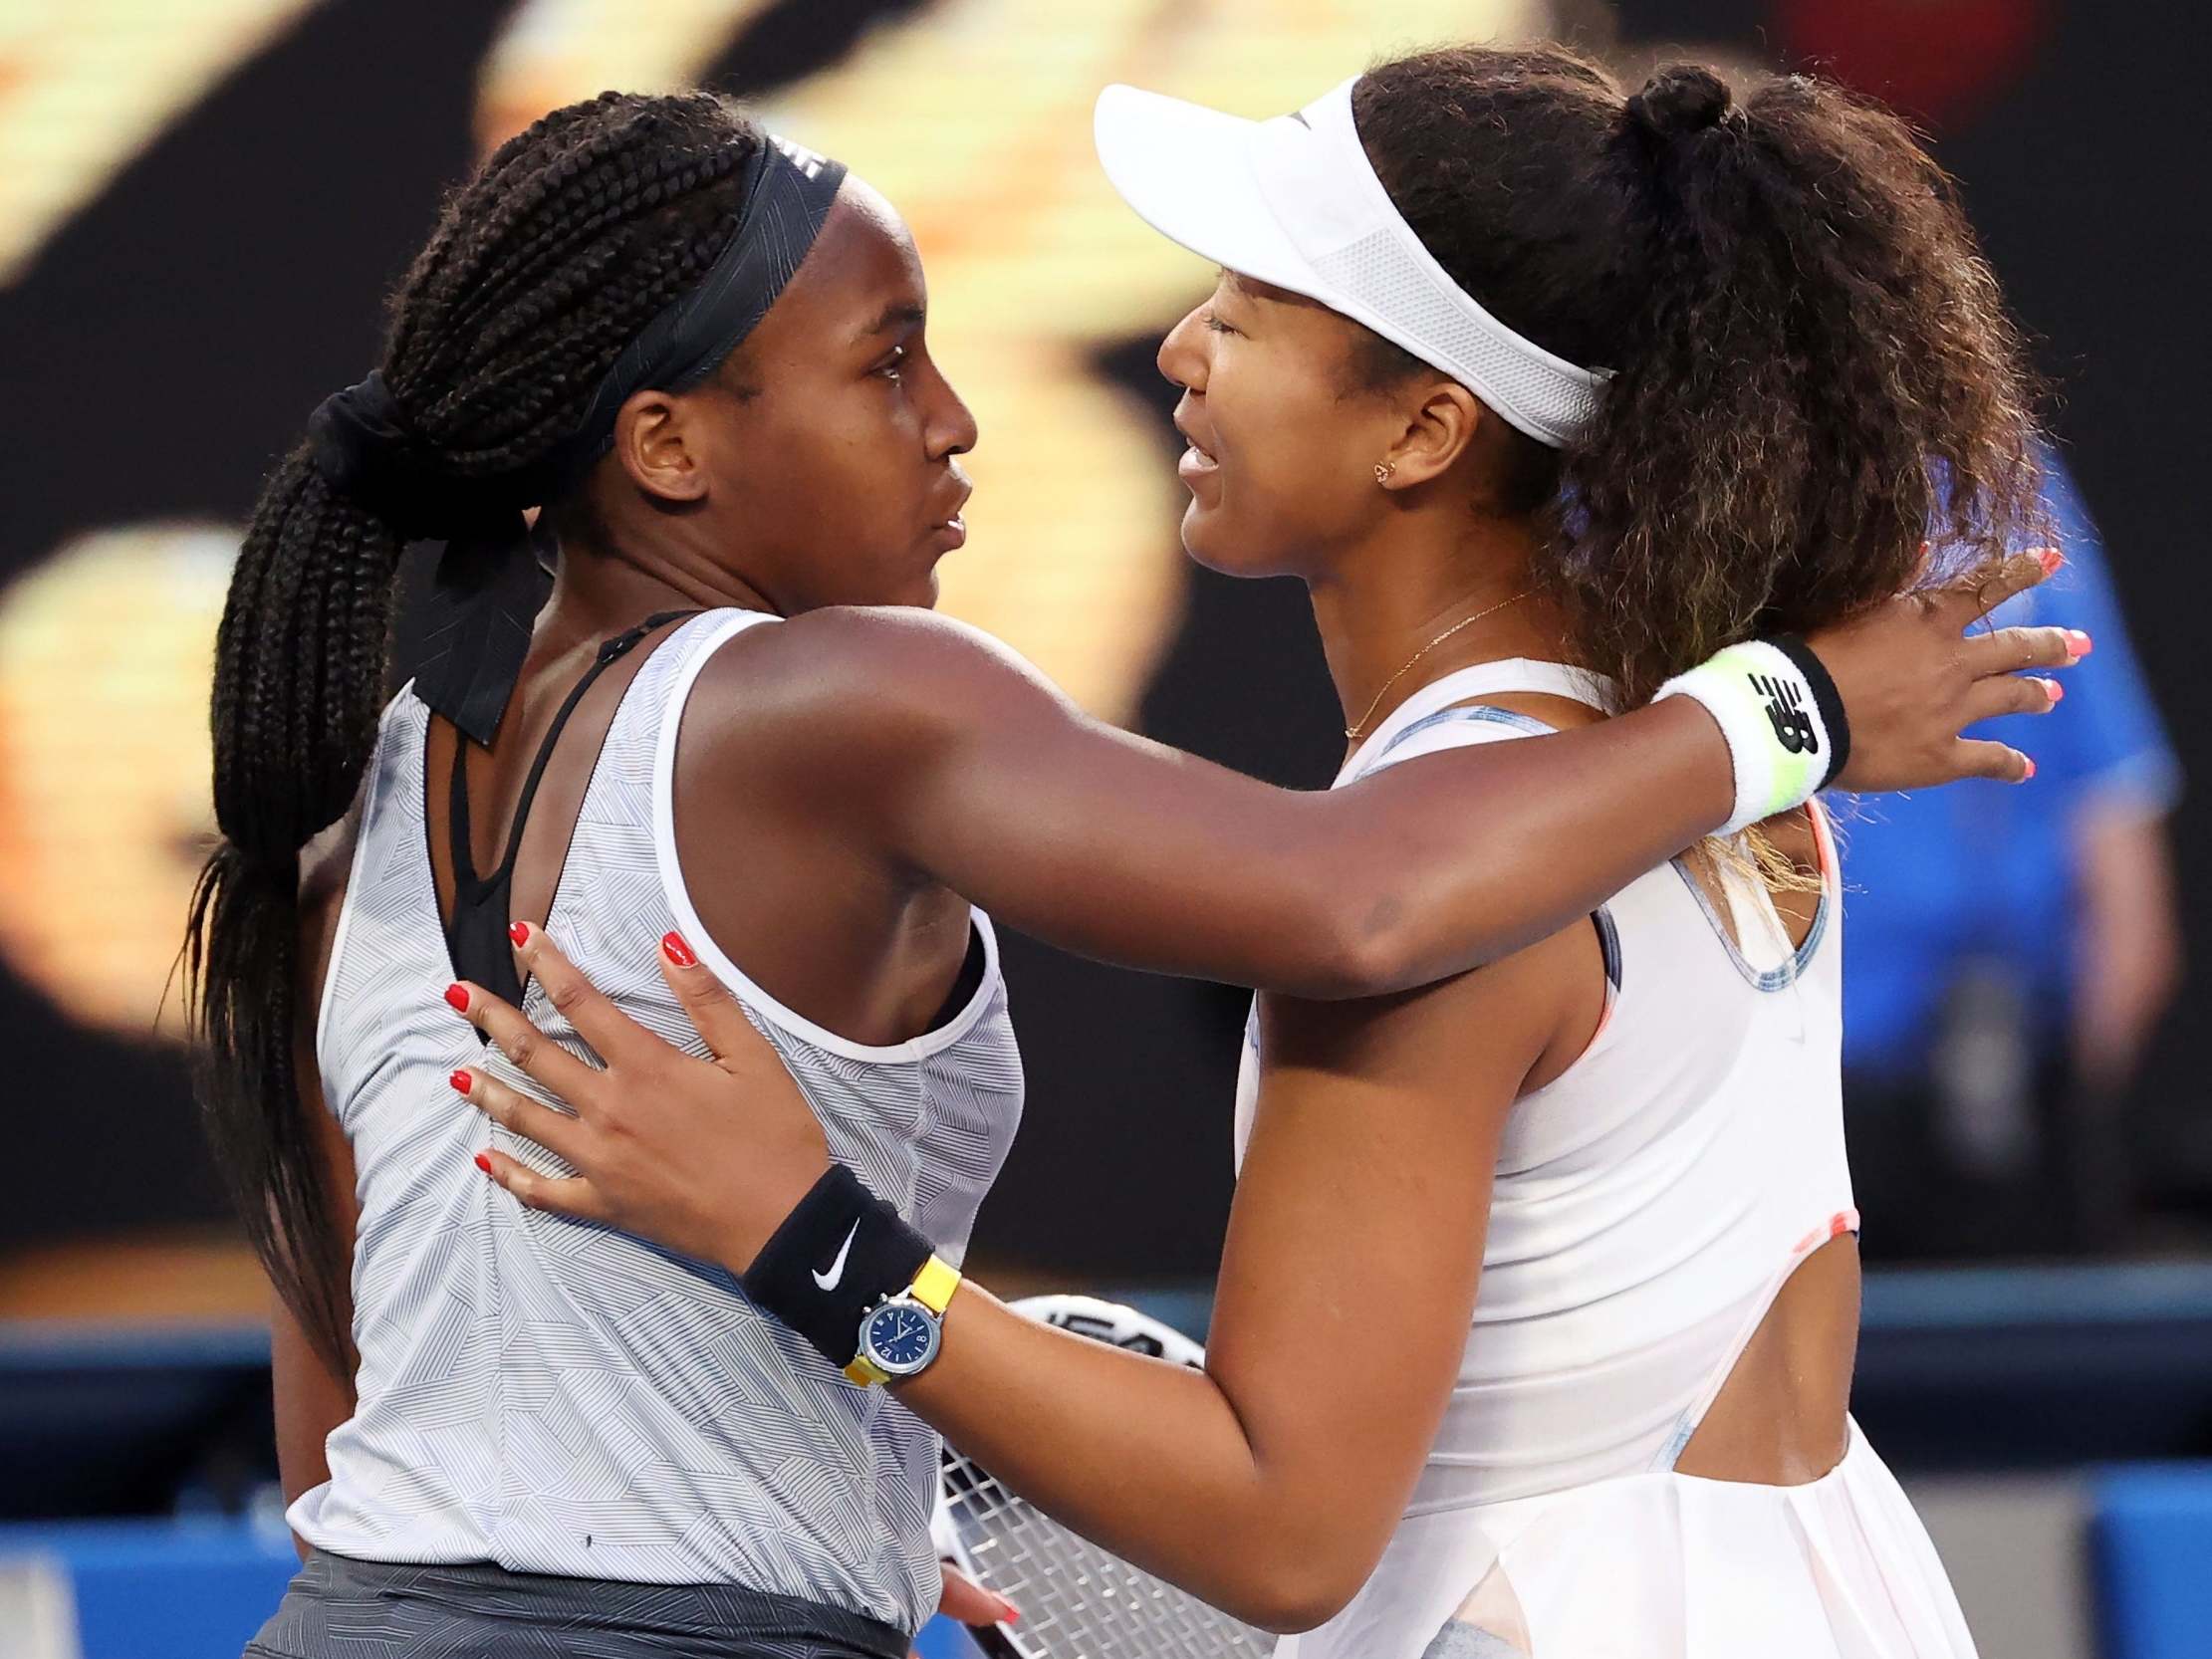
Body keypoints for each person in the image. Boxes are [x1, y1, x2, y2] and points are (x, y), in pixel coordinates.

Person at [187, 78, 2066, 1659]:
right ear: (665, 445)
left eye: (1243, 307)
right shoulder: (1700, 796)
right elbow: (1359, 901)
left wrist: (807, 1258)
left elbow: (361, 1442)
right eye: (890, 360)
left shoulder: (364, 801)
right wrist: (1784, 707)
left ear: (1425, 424)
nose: (1156, 348)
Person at [1843, 445, 2182, 1259]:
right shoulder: (1678, 469)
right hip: (1760, 1102)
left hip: (1979, 1096)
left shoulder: (2000, 483)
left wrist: (2067, 1132)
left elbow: (2116, 823)